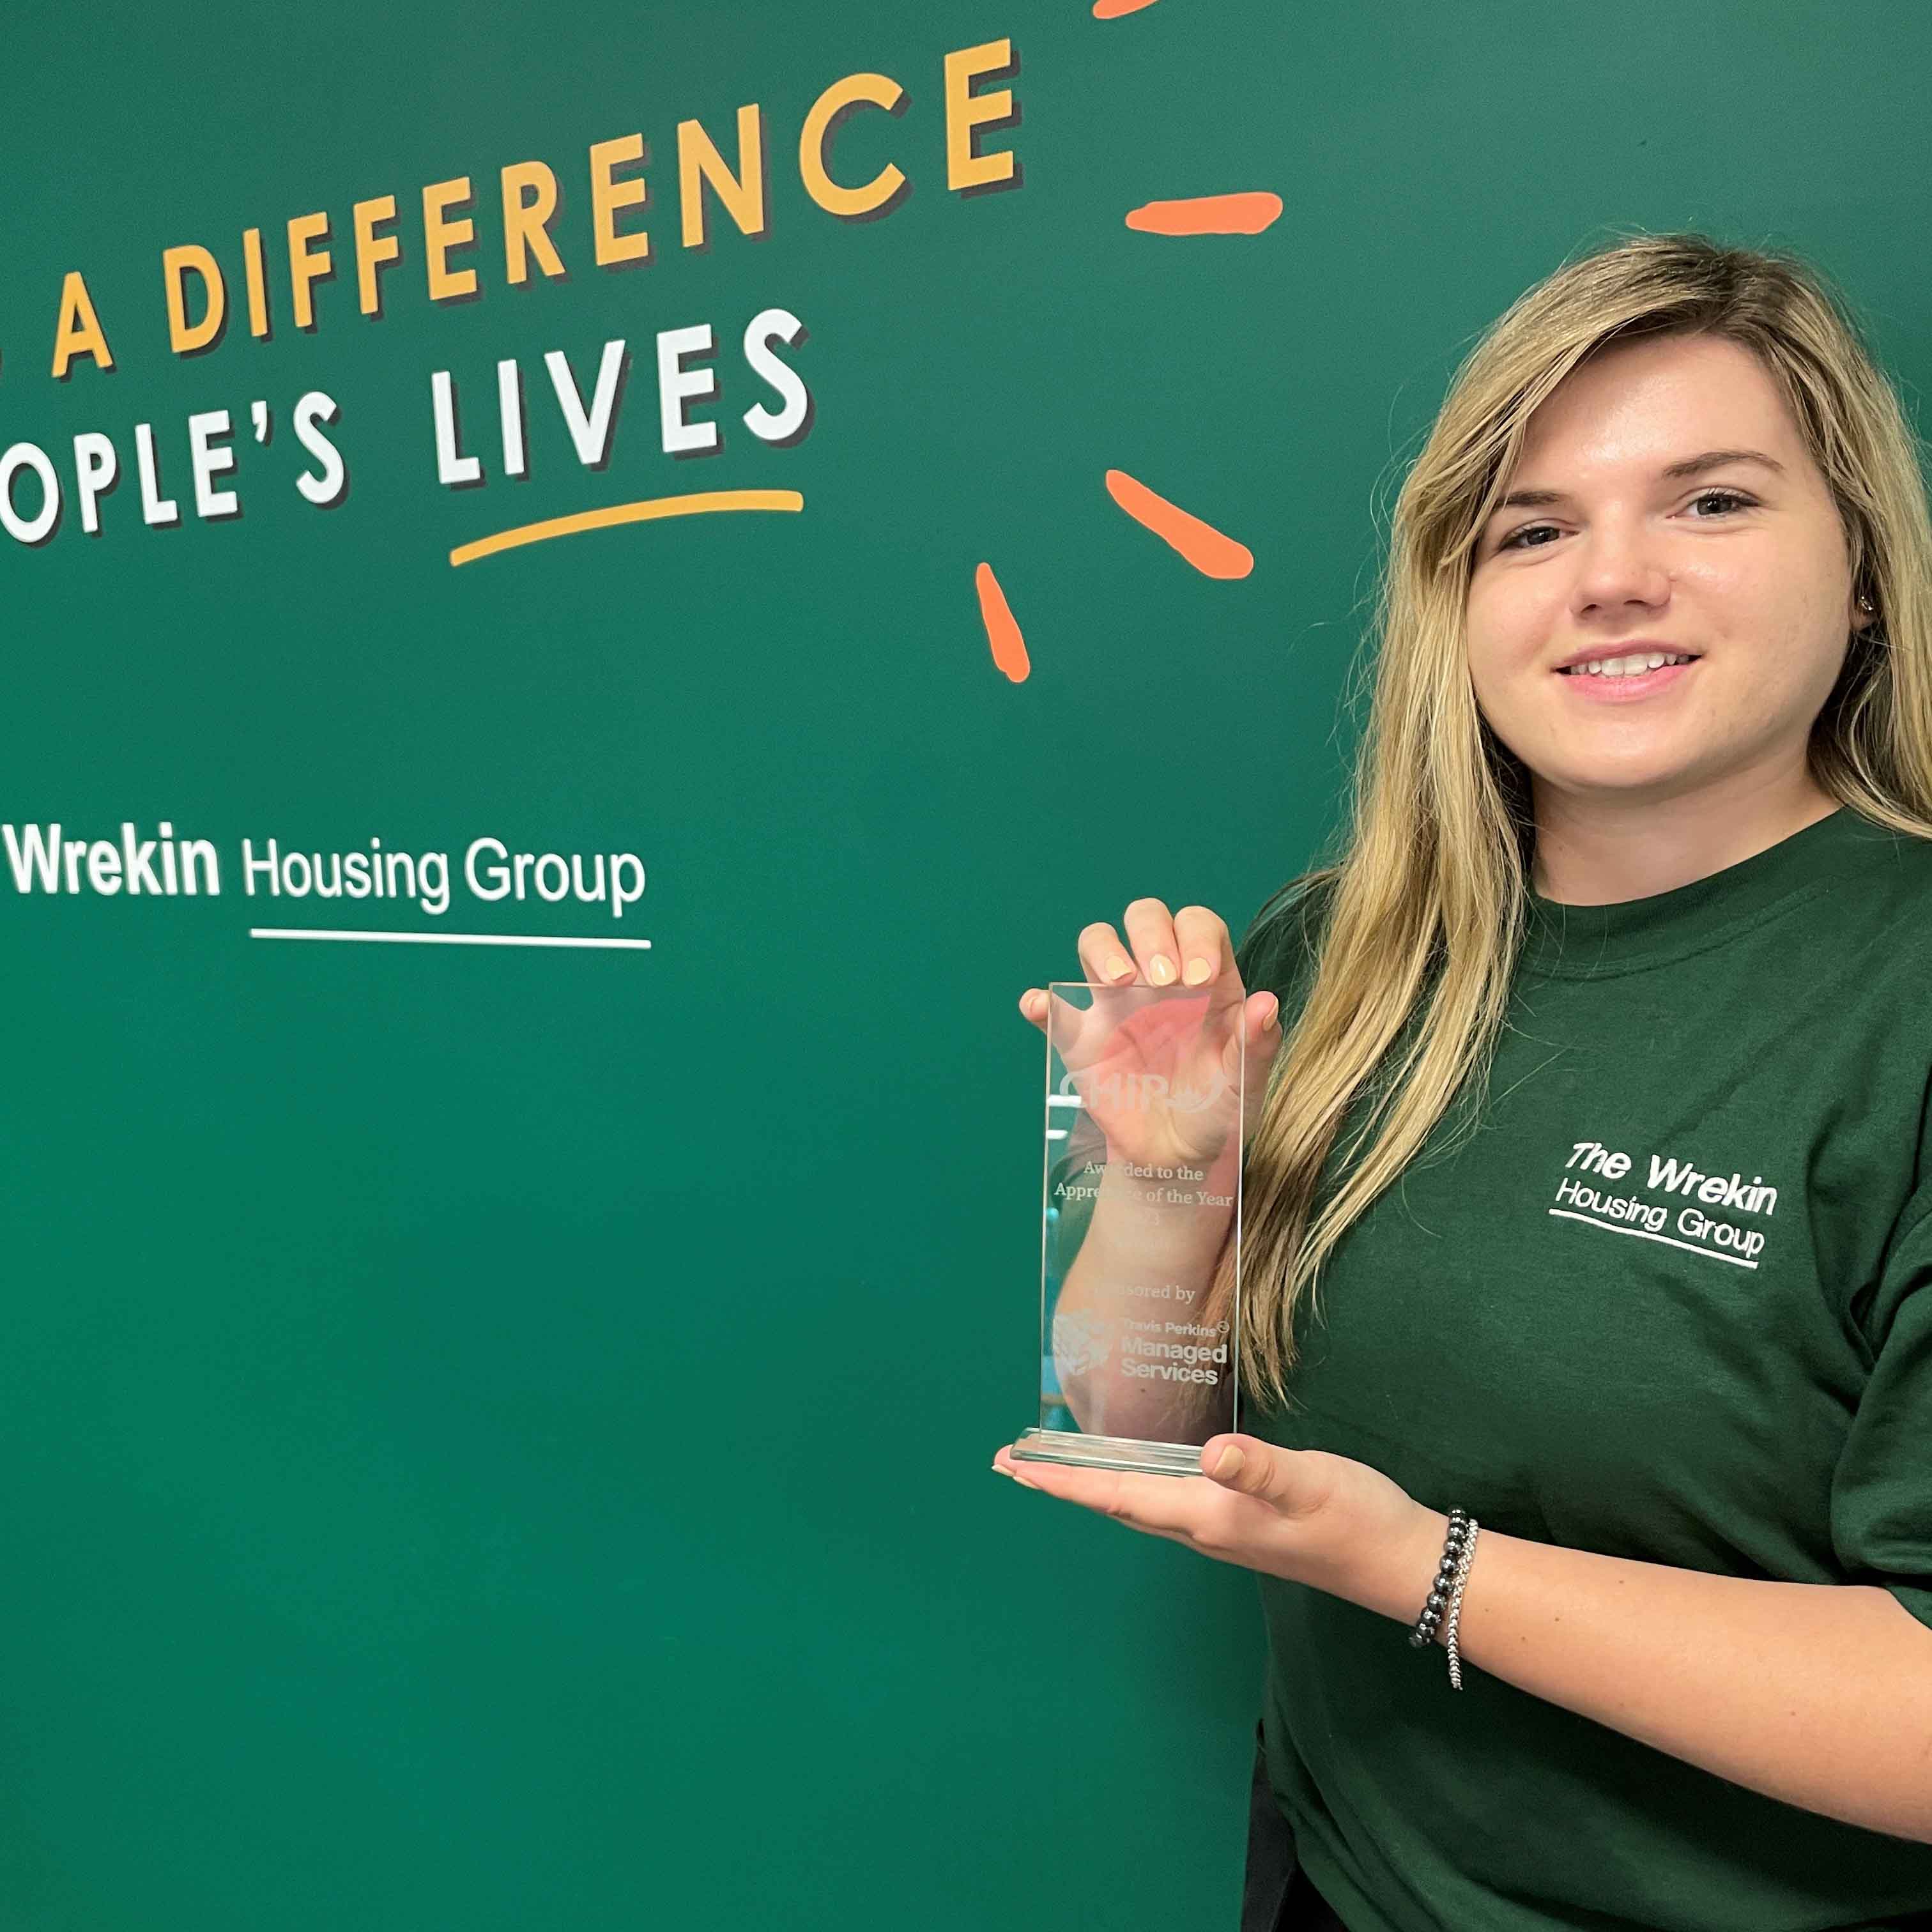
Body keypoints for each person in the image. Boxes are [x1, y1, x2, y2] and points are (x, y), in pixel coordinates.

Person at [992, 229, 1932, 1929]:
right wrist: (1152, 1188)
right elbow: (1127, 1430)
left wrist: (1416, 1569)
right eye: (1534, 528)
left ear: (1864, 567)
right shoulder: (1329, 956)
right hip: (1340, 1886)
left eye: (1711, 503)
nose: (1613, 579)